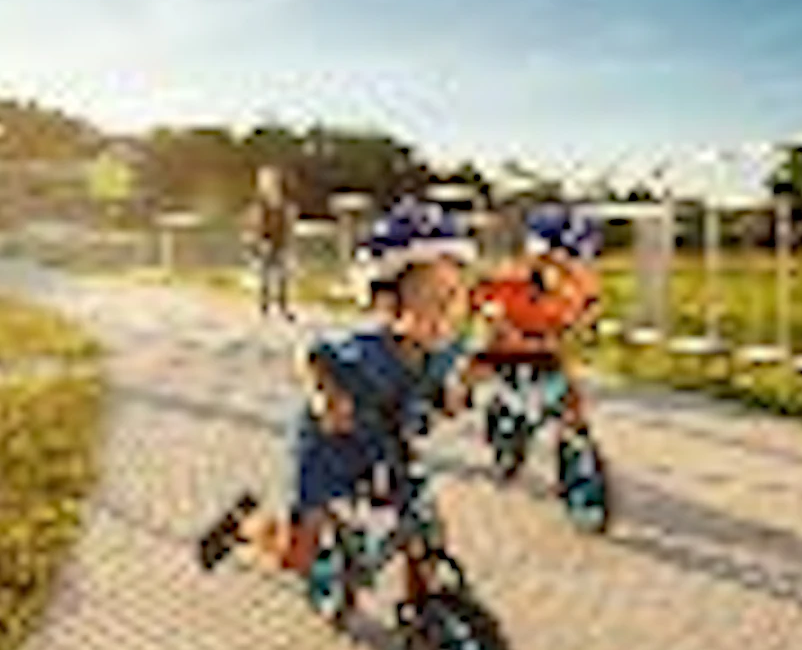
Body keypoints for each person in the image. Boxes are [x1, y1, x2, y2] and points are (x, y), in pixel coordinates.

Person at [201, 197, 489, 597]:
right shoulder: (372, 349)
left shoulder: (443, 352)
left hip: (387, 447)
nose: (447, 313)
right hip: (330, 450)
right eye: (431, 299)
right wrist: (327, 396)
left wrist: (457, 393)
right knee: (299, 557)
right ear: (387, 303)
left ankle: (424, 604)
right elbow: (313, 355)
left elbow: (442, 392)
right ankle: (245, 526)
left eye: (454, 297)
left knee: (422, 525)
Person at [469, 203, 603, 465]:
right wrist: (495, 318)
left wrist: (580, 327)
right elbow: (482, 296)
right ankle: (502, 424)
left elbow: (589, 308)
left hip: (549, 350)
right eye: (560, 258)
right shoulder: (513, 278)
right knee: (497, 387)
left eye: (576, 259)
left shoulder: (579, 283)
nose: (569, 266)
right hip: (510, 349)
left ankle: (578, 463)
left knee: (571, 405)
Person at [245, 165, 298, 320]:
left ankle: (282, 306)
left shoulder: (283, 203)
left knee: (282, 277)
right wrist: (258, 240)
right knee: (266, 277)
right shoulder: (262, 204)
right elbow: (256, 224)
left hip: (280, 242)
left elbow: (288, 223)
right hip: (266, 242)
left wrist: (290, 240)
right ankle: (265, 307)